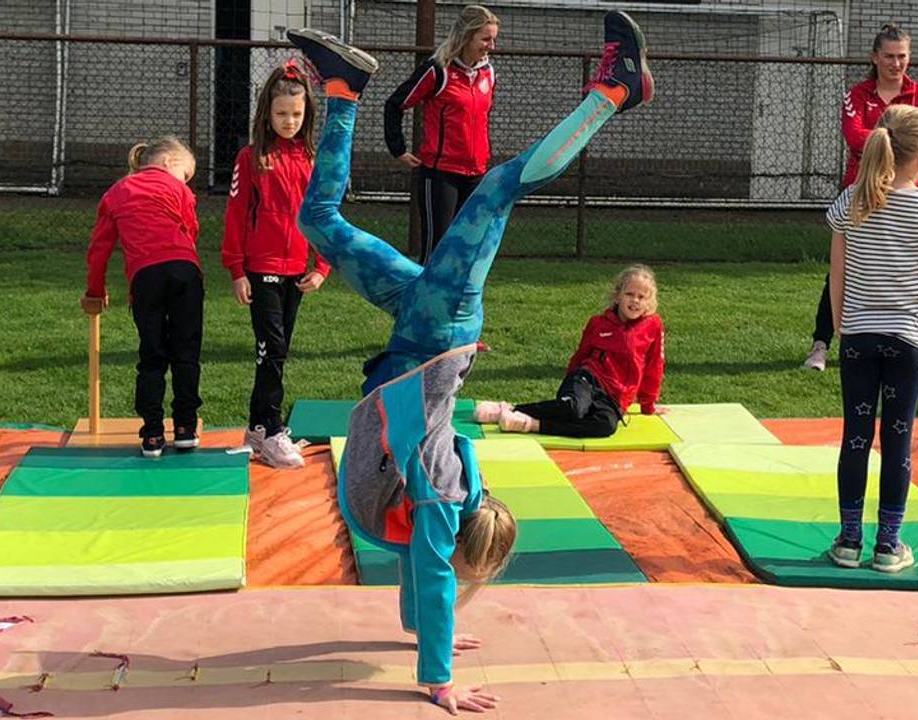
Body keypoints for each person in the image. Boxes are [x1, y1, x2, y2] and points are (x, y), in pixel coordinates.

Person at [289, 8, 652, 713]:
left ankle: (341, 88)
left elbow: (426, 571)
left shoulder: (444, 495)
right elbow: (428, 569)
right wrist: (437, 662)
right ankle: (611, 93)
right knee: (499, 185)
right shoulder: (433, 498)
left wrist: (434, 655)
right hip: (436, 329)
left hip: (420, 323)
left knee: (319, 225)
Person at [825, 104, 918, 574]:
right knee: (898, 441)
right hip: (907, 341)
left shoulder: (852, 201)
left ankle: (848, 541)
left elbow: (837, 271)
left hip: (859, 338)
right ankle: (888, 545)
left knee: (856, 438)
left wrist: (843, 322)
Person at [803, 22, 918, 372]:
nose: (897, 64)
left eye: (903, 57)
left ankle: (906, 340)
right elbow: (855, 137)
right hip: (862, 195)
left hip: (907, 197)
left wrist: (897, 164)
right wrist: (901, 150)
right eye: (890, 56)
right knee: (843, 266)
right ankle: (822, 342)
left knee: (904, 269)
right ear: (875, 57)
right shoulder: (858, 94)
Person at [222, 61, 330, 469]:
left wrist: (322, 266)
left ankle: (255, 427)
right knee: (273, 347)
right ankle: (270, 429)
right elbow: (235, 215)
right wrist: (236, 269)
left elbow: (323, 215)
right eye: (282, 113)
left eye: (297, 115)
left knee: (277, 350)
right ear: (267, 112)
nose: (289, 121)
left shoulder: (311, 159)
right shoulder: (252, 158)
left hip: (296, 270)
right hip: (260, 268)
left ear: (307, 116)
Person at [84, 136, 202, 458]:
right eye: (186, 174)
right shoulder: (180, 191)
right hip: (184, 271)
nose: (186, 181)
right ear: (167, 163)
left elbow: (99, 248)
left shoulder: (116, 193)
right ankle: (185, 428)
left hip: (145, 278)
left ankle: (152, 434)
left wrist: (96, 289)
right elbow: (191, 231)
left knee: (152, 355)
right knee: (186, 352)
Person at [475, 264, 665, 437]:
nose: (635, 301)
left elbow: (654, 365)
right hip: (588, 379)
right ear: (617, 296)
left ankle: (532, 424)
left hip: (614, 397)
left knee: (605, 426)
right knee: (573, 408)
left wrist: (648, 405)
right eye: (630, 294)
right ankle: (509, 409)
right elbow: (581, 355)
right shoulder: (598, 323)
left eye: (642, 297)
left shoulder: (653, 325)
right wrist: (571, 386)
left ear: (649, 302)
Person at [384, 4, 499, 264]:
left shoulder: (488, 73)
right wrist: (398, 148)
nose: (491, 45)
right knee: (437, 250)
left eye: (493, 39)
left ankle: (456, 305)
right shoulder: (437, 71)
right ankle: (422, 304)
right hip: (440, 174)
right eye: (485, 39)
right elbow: (394, 104)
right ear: (466, 36)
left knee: (467, 249)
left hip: (476, 174)